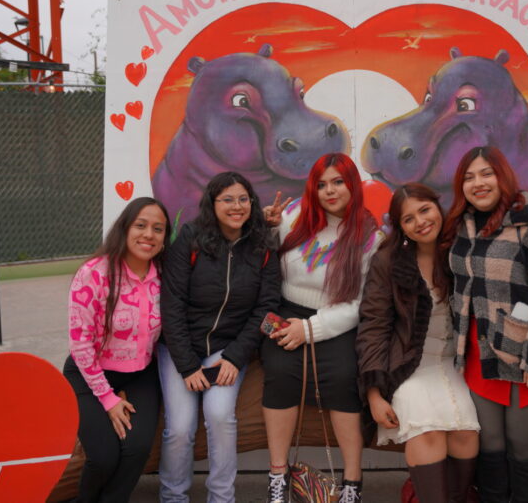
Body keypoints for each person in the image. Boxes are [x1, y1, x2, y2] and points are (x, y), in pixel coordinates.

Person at [442, 146, 528, 503]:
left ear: (503, 177)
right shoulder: (461, 226)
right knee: (490, 445)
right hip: (480, 353)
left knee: (523, 445)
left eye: (487, 173)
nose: (478, 183)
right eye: (469, 177)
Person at [261, 153, 384, 503]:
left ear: (352, 185)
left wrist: (310, 329)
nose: (330, 191)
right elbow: (265, 259)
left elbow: (359, 303)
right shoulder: (292, 216)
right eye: (322, 184)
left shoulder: (369, 237)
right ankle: (278, 476)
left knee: (344, 377)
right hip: (287, 311)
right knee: (280, 373)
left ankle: (352, 483)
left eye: (338, 182)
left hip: (335, 319)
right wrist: (267, 227)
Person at [158, 171, 281, 503]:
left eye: (243, 199)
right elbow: (171, 303)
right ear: (212, 204)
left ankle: (222, 498)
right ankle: (173, 497)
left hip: (227, 349)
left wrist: (235, 357)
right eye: (227, 199)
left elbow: (268, 309)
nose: (236, 206)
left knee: (220, 415)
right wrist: (187, 365)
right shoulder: (191, 238)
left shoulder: (263, 245)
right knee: (180, 428)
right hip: (180, 349)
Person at [356, 183, 480, 502]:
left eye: (425, 210)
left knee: (466, 433)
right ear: (401, 228)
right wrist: (374, 394)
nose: (420, 222)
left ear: (438, 207)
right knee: (428, 433)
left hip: (455, 365)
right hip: (409, 366)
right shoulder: (388, 262)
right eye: (408, 219)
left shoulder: (459, 252)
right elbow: (373, 327)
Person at [63, 196, 171, 503]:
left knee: (137, 449)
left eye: (158, 229)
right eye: (141, 225)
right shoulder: (94, 273)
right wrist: (108, 399)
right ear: (124, 228)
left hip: (140, 374)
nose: (149, 234)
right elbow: (81, 343)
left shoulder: (165, 275)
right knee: (103, 457)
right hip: (89, 373)